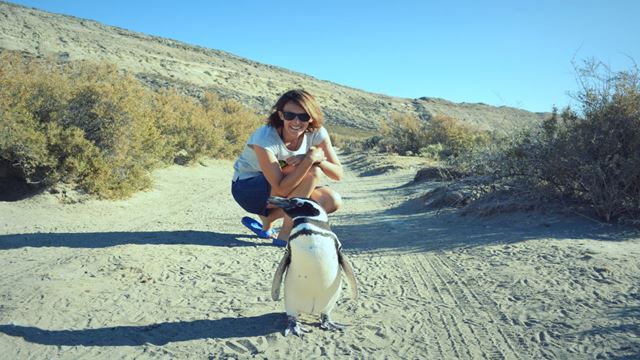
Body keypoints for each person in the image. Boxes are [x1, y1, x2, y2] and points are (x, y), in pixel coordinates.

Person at [231, 89, 343, 246]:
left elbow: (338, 174)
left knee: (330, 200)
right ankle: (285, 234)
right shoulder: (265, 138)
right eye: (290, 115)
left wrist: (318, 160)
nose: (297, 122)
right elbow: (282, 189)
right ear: (281, 115)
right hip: (248, 190)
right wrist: (309, 160)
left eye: (303, 116)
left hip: (278, 189)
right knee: (312, 172)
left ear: (311, 118)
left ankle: (269, 219)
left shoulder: (317, 133)